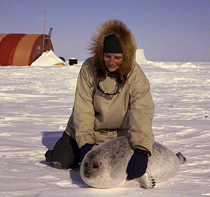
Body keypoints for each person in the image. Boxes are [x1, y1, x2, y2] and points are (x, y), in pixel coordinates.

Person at [45, 20, 155, 180]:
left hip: (119, 133)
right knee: (62, 161)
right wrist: (86, 144)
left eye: (117, 57)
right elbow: (83, 109)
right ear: (100, 53)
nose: (112, 62)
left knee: (126, 166)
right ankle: (60, 151)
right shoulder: (88, 69)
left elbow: (142, 112)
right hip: (86, 129)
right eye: (107, 56)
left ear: (126, 55)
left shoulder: (136, 76)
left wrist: (142, 149)